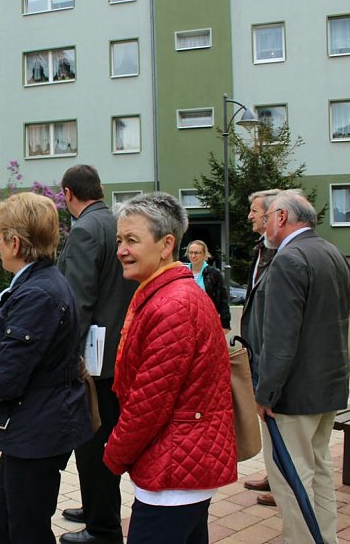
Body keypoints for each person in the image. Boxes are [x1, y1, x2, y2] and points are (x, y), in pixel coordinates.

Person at [103, 192, 237, 544]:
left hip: (173, 471)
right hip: (179, 466)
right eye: (119, 240)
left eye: (132, 240)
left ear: (166, 245)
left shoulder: (173, 304)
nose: (121, 249)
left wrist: (113, 455)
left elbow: (148, 404)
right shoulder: (163, 294)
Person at [0, 192, 91, 543]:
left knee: (25, 529)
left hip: (39, 429)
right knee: (3, 515)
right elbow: (23, 357)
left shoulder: (37, 293)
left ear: (15, 243)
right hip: (34, 424)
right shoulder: (38, 284)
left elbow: (10, 379)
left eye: (0, 237)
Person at [251, 190, 350, 544]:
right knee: (320, 473)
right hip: (328, 388)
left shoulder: (287, 259)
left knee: (291, 481)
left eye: (268, 217)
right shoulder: (332, 252)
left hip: (293, 396)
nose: (264, 224)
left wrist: (265, 394)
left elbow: (280, 339)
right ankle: (325, 539)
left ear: (281, 217)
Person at [57, 165, 136, 544]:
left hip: (95, 359)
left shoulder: (86, 229)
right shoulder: (117, 221)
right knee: (100, 440)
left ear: (68, 193)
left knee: (93, 442)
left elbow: (79, 302)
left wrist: (68, 357)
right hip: (118, 350)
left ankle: (103, 529)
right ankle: (95, 508)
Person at [240, 188, 279, 506]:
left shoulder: (282, 254)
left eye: (254, 210)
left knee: (275, 416)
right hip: (257, 349)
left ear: (270, 215)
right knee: (268, 419)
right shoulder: (262, 249)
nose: (250, 216)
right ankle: (274, 473)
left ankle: (282, 482)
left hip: (271, 351)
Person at [185, 240, 230, 331]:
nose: (193, 256)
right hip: (186, 321)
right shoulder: (182, 272)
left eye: (197, 253)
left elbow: (223, 299)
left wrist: (225, 324)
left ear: (204, 254)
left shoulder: (214, 273)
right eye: (191, 252)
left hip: (208, 320)